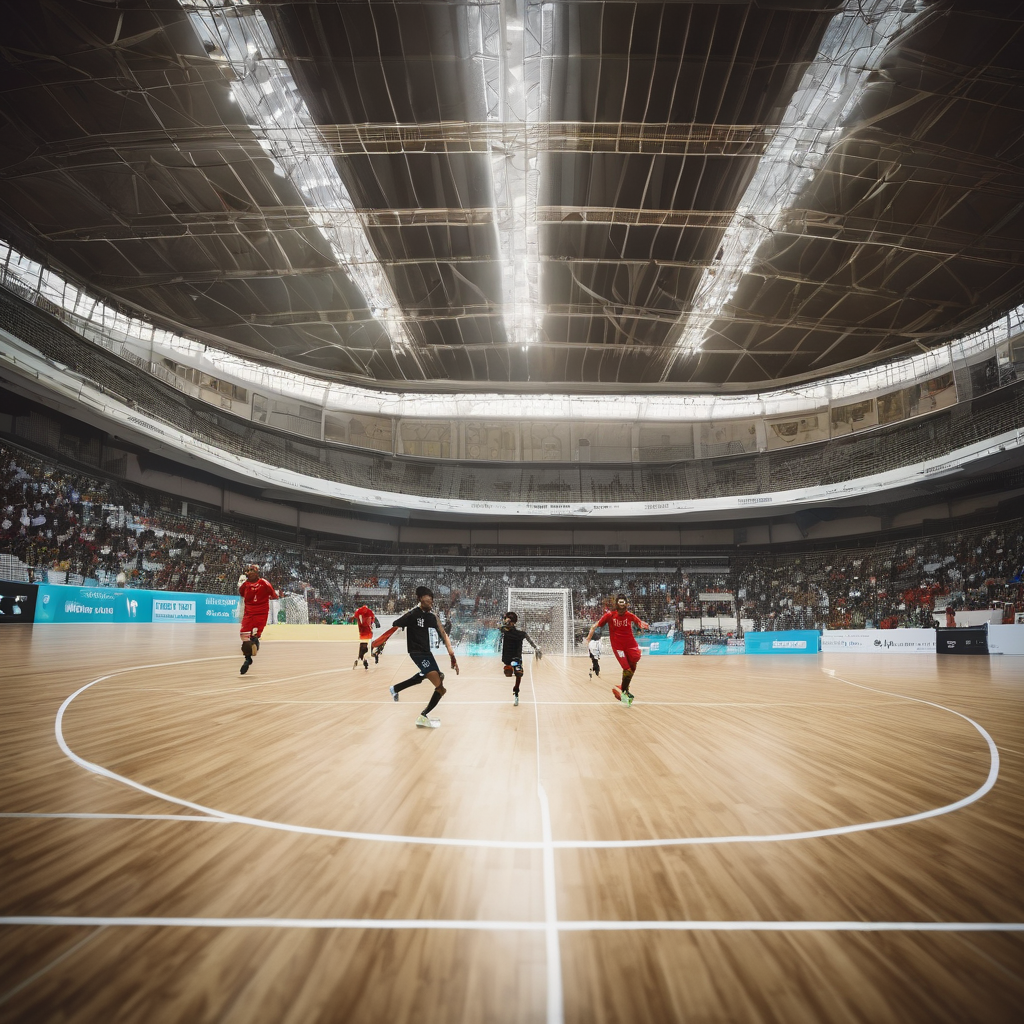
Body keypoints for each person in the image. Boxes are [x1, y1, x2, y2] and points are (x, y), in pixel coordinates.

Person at [387, 586, 459, 728]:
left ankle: (395, 689)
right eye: (427, 596)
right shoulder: (412, 615)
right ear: (420, 598)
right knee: (440, 688)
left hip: (427, 654)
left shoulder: (432, 617)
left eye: (432, 597)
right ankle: (423, 716)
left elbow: (443, 634)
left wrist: (451, 654)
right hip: (417, 653)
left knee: (439, 676)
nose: (431, 599)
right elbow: (395, 624)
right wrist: (382, 643)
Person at [585, 594, 650, 705]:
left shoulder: (629, 615)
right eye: (619, 602)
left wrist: (641, 624)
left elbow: (638, 621)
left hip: (630, 644)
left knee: (634, 663)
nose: (621, 605)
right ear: (616, 604)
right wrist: (588, 638)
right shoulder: (610, 615)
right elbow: (595, 625)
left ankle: (624, 687)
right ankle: (624, 692)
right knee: (627, 669)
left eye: (623, 603)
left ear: (626, 604)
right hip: (618, 647)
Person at [237, 563, 279, 675]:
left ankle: (248, 657)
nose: (249, 573)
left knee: (254, 636)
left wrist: (271, 597)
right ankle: (248, 657)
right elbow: (241, 593)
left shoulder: (264, 583)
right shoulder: (245, 585)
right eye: (248, 571)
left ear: (256, 572)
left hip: (261, 614)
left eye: (251, 570)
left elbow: (274, 595)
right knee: (244, 637)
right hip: (248, 614)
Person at [499, 611, 542, 707]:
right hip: (507, 658)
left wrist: (536, 648)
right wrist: (506, 624)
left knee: (518, 672)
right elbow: (501, 627)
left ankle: (516, 690)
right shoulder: (504, 630)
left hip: (516, 657)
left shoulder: (520, 634)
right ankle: (511, 668)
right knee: (508, 672)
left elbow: (530, 641)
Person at [350, 602, 380, 670]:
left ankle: (363, 658)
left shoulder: (358, 612)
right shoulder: (370, 612)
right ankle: (372, 655)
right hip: (368, 633)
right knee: (367, 647)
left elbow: (354, 617)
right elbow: (373, 619)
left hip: (362, 633)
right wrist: (372, 624)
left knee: (363, 646)